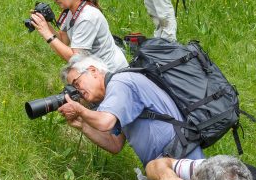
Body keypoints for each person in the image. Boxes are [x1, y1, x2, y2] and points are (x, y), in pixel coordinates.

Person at [57, 54, 204, 166]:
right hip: (165, 163)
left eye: (77, 83)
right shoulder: (113, 97)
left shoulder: (119, 83)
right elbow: (115, 144)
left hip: (181, 155)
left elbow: (104, 123)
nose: (78, 91)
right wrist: (83, 126)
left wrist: (80, 110)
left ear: (93, 71)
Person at [30, 0, 128, 72]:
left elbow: (76, 60)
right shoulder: (71, 10)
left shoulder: (87, 17)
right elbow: (63, 40)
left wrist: (46, 33)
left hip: (112, 73)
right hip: (95, 69)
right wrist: (44, 24)